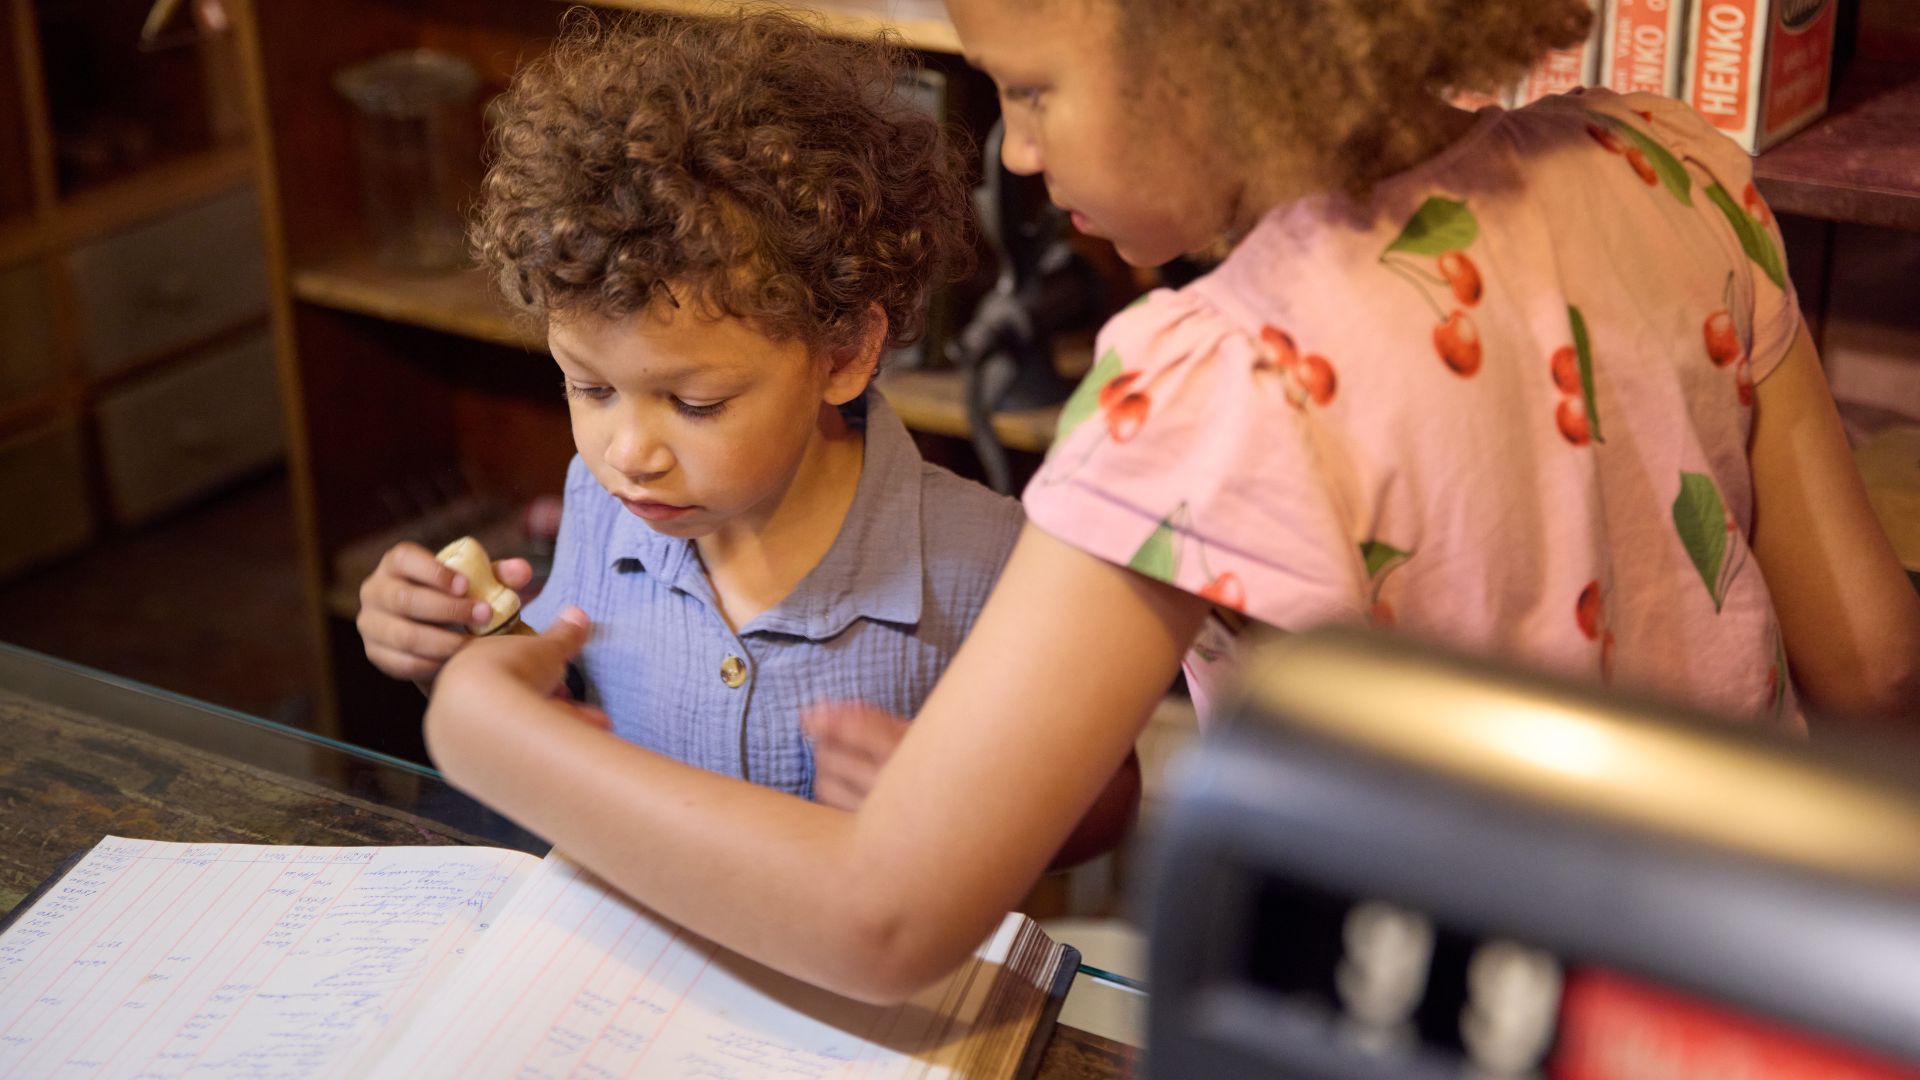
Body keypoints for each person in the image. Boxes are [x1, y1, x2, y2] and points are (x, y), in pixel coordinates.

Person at [422, 0, 1920, 1005]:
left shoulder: (1210, 396)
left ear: (1214, 51)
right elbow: (1873, 663)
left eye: (1034, 88)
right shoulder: (1670, 166)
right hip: (1732, 993)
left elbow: (883, 917)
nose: (1013, 149)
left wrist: (480, 729)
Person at [353, 10, 1137, 856]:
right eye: (590, 388)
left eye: (694, 405)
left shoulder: (991, 561)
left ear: (844, 353)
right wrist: (460, 651)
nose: (629, 453)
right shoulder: (601, 502)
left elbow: (1109, 802)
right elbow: (560, 704)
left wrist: (963, 799)